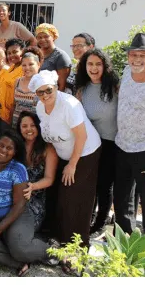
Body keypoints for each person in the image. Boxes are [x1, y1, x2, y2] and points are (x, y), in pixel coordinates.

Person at [0, 130, 56, 275]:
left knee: (20, 249)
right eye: (1, 145)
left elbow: (19, 204)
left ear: (15, 152)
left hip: (15, 216)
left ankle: (51, 251)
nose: (3, 150)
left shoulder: (18, 169)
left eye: (9, 148)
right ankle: (18, 262)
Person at [29, 70, 102, 252]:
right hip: (64, 153)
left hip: (84, 153)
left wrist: (72, 164)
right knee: (59, 195)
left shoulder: (69, 105)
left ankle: (77, 245)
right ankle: (59, 236)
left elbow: (82, 136)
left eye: (48, 90)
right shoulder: (40, 107)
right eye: (40, 92)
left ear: (56, 87)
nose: (45, 95)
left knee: (74, 198)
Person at [113, 33, 145, 248]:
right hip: (122, 146)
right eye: (133, 54)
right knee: (122, 201)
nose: (137, 59)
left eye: (143, 55)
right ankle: (124, 247)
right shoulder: (126, 73)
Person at [75, 48, 120, 238]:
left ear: (105, 66)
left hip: (111, 143)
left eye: (98, 64)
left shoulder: (115, 87)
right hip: (90, 144)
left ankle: (101, 223)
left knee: (104, 185)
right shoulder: (82, 89)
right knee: (90, 184)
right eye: (90, 64)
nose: (93, 68)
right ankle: (88, 219)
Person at [16, 111, 58, 232]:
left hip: (34, 198)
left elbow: (49, 179)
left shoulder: (48, 148)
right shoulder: (16, 145)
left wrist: (32, 187)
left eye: (32, 125)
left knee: (21, 228)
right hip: (14, 193)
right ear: (19, 128)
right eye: (24, 126)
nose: (29, 129)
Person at [10, 48, 44, 128]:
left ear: (38, 64)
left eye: (31, 64)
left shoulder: (43, 84)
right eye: (24, 65)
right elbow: (14, 105)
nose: (27, 68)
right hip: (16, 126)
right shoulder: (17, 81)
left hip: (34, 128)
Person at [0, 39, 25, 122]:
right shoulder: (10, 69)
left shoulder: (24, 70)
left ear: (22, 51)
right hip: (1, 112)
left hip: (13, 114)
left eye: (15, 52)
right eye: (9, 53)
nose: (11, 55)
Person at [36, 23, 72, 92]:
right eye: (39, 37)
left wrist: (56, 98)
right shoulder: (36, 54)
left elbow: (62, 85)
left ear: (53, 37)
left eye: (46, 36)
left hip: (52, 95)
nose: (42, 39)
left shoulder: (61, 56)